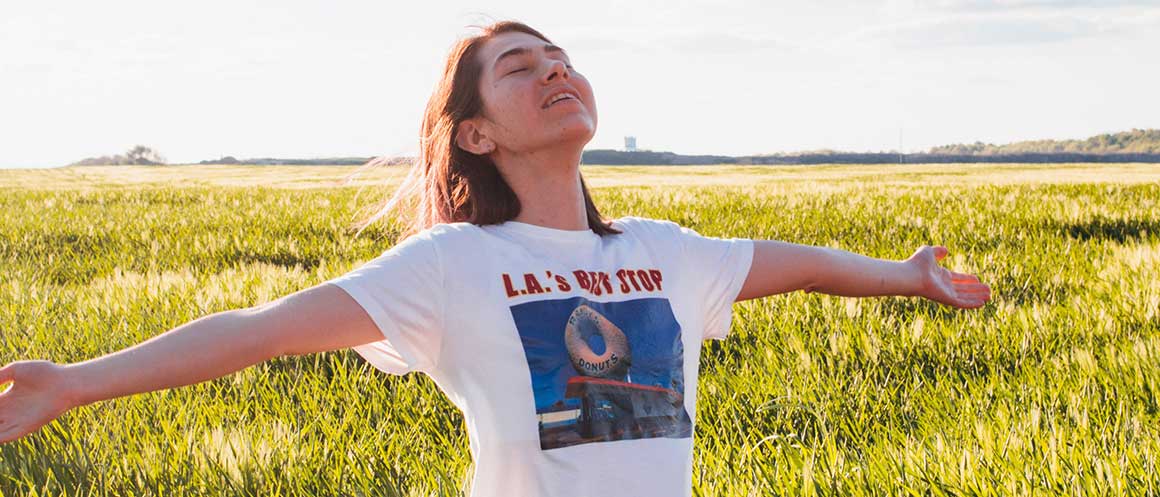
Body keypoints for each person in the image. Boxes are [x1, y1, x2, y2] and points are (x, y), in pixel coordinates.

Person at [0, 20, 991, 497]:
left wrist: (908, 274)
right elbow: (257, 333)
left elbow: (803, 262)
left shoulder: (663, 254)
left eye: (558, 55)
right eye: (519, 66)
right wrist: (73, 381)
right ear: (474, 135)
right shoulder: (448, 266)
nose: (554, 68)